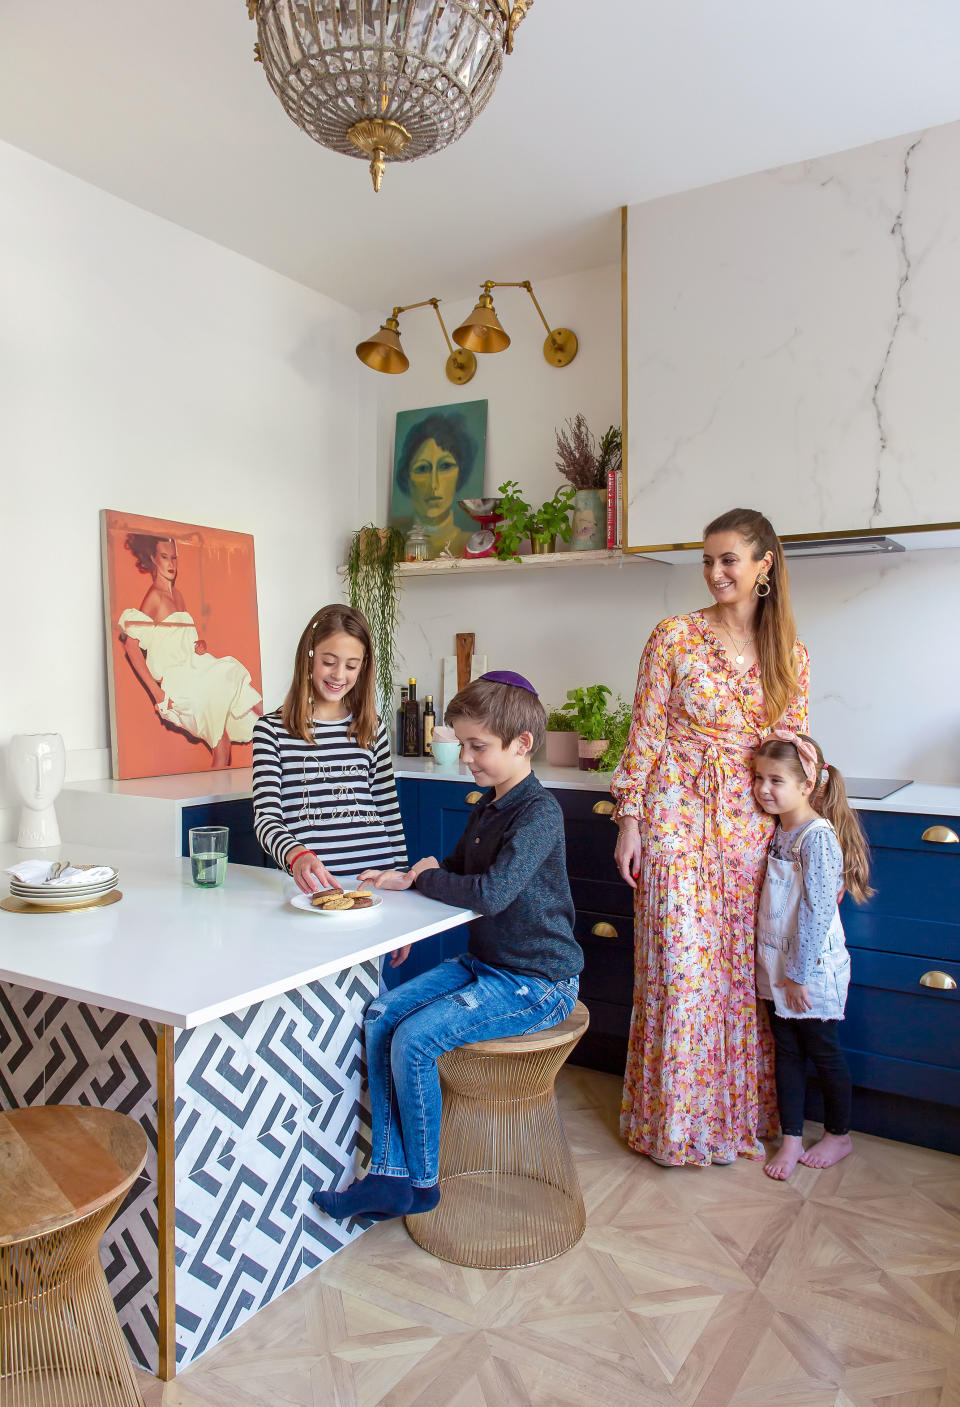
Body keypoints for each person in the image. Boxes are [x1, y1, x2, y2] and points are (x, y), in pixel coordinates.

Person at [310, 671, 583, 1221]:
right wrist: (407, 875)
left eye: (477, 746)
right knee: (384, 1014)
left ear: (521, 744)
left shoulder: (538, 813)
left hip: (538, 981)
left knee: (414, 1040)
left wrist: (431, 877)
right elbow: (457, 869)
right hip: (488, 965)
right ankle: (387, 1176)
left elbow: (492, 894)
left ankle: (424, 1182)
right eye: (463, 744)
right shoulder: (488, 806)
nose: (466, 757)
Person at [611, 508, 810, 1167]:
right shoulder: (673, 635)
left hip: (749, 826)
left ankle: (728, 1124)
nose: (716, 571)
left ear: (764, 564)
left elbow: (795, 752)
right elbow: (643, 734)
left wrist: (800, 830)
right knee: (679, 970)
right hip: (673, 813)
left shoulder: (792, 655)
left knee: (734, 980)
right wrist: (631, 820)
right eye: (707, 560)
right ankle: (669, 1126)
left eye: (729, 559)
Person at [753, 731, 872, 1180]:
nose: (764, 789)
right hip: (777, 965)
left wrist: (798, 974)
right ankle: (791, 1139)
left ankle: (839, 1134)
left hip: (809, 969)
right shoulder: (778, 831)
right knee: (785, 1052)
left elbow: (818, 910)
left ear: (807, 786)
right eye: (759, 778)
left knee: (822, 1051)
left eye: (776, 780)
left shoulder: (815, 837)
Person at [252, 604, 407, 892]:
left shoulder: (372, 728)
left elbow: (388, 812)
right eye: (329, 661)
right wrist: (296, 855)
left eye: (351, 666)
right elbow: (266, 820)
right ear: (309, 657)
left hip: (376, 881)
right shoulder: (271, 731)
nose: (338, 675)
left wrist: (402, 879)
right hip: (313, 887)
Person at [118, 534, 261, 768]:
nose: (171, 564)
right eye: (165, 557)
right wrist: (157, 694)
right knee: (222, 726)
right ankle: (282, 732)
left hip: (195, 668)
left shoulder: (178, 595)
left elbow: (176, 639)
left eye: (174, 557)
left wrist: (198, 645)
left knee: (222, 736)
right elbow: (131, 647)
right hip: (178, 680)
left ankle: (278, 732)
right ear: (153, 558)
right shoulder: (154, 597)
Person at [395, 411, 475, 558]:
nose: (434, 484)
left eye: (445, 466)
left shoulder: (470, 542)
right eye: (422, 468)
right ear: (407, 478)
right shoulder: (393, 545)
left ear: (460, 474)